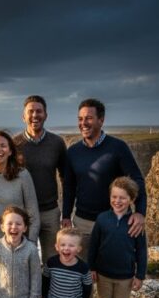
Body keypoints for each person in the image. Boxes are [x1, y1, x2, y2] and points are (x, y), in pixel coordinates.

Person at [61, 98, 146, 254]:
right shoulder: (73, 151)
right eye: (80, 119)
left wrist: (140, 212)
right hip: (83, 223)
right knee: (85, 272)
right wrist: (66, 215)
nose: (83, 123)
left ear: (101, 120)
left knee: (111, 270)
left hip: (115, 221)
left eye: (89, 118)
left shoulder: (118, 147)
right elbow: (69, 186)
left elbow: (137, 179)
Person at [87, 177, 147, 298]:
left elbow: (142, 250)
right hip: (104, 273)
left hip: (125, 276)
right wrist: (91, 268)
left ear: (131, 200)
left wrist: (140, 275)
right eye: (114, 197)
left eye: (122, 198)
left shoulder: (136, 223)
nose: (117, 201)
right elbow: (93, 245)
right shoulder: (103, 219)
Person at [13, 96, 67, 261]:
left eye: (39, 111)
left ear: (45, 115)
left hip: (50, 212)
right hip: (23, 213)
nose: (35, 115)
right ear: (24, 116)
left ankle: (48, 288)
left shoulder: (57, 143)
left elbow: (65, 178)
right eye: (30, 111)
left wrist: (65, 212)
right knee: (24, 259)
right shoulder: (14, 144)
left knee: (51, 260)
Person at [0, 130, 40, 254]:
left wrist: (32, 243)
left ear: (10, 151)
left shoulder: (22, 175)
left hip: (17, 239)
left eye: (3, 146)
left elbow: (33, 212)